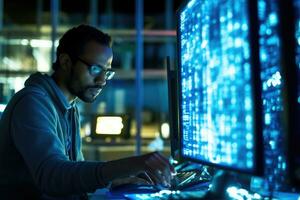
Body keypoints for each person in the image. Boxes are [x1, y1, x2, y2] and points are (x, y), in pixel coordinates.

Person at [0, 24, 174, 200]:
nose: (102, 81)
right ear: (66, 62)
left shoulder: (69, 107)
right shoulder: (32, 103)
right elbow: (51, 176)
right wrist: (132, 164)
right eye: (95, 69)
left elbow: (72, 173)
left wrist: (112, 181)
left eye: (107, 72)